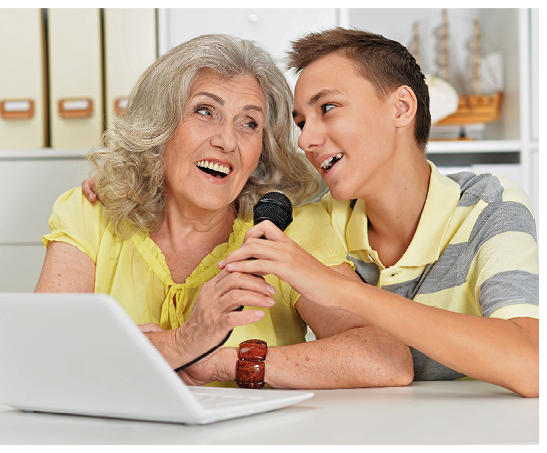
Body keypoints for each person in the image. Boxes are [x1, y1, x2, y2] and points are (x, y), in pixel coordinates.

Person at [37, 33, 413, 389]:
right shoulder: (90, 213)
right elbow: (38, 355)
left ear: (261, 151)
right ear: (158, 124)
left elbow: (386, 359)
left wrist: (224, 362)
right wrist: (183, 343)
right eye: (205, 111)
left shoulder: (288, 232)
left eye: (249, 123)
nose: (227, 141)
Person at [219, 28, 539, 397]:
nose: (306, 140)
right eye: (302, 122)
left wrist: (340, 290)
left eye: (327, 108)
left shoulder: (488, 205)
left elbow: (531, 364)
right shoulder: (319, 223)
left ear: (401, 107)